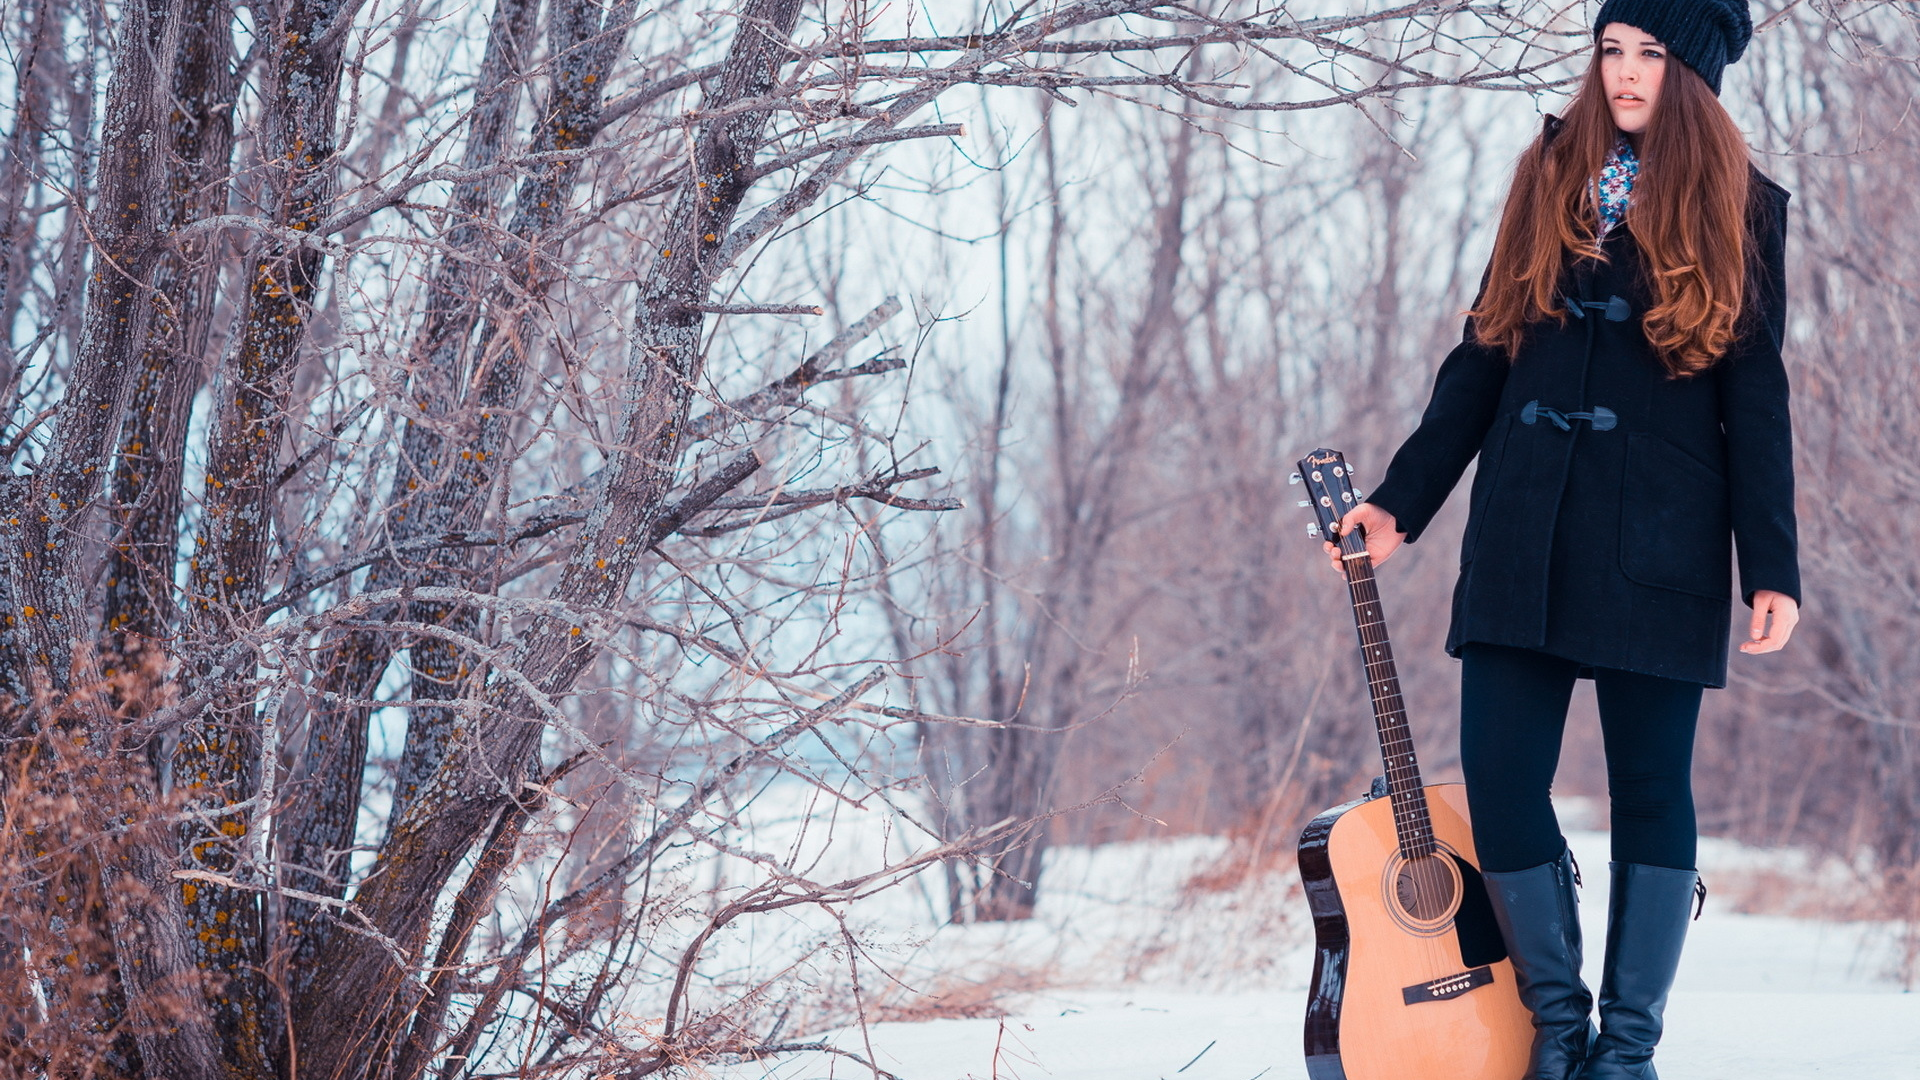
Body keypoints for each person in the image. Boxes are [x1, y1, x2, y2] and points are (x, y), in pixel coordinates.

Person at [1323, 2, 1799, 1078]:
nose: (1626, 75)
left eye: (1654, 55)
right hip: (1524, 529)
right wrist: (1401, 501)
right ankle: (1557, 1028)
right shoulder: (1548, 172)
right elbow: (1485, 349)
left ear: (1699, 71)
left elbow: (1757, 395)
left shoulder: (1744, 206)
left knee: (1650, 790)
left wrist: (1772, 567)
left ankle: (1625, 1053)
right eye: (1612, 50)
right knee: (1497, 776)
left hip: (1664, 538)